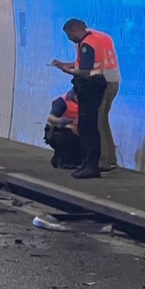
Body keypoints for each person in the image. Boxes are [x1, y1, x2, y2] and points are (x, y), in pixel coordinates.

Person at [51, 17, 114, 178]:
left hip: (90, 87)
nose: (69, 38)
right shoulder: (87, 41)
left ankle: (91, 165)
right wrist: (63, 64)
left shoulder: (87, 45)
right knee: (86, 127)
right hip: (92, 86)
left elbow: (85, 71)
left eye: (69, 34)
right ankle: (87, 163)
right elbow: (81, 63)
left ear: (75, 30)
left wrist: (68, 71)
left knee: (88, 128)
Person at [45, 88, 82, 169]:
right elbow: (50, 118)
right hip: (62, 130)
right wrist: (63, 122)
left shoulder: (86, 103)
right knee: (62, 137)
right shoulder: (62, 101)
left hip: (78, 132)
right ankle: (62, 159)